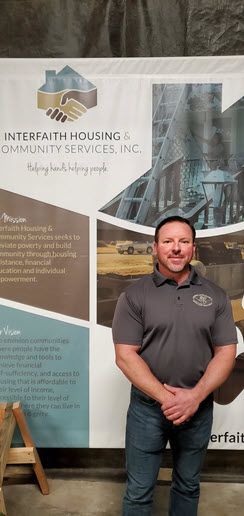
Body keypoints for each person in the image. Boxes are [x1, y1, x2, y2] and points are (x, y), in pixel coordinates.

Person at [112, 215, 237, 516]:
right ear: (155, 248)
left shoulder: (215, 296)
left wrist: (193, 398)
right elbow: (125, 355)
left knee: (188, 485)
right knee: (139, 492)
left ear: (193, 249)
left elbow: (226, 352)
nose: (176, 248)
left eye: (183, 242)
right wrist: (170, 400)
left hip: (198, 408)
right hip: (147, 411)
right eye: (168, 241)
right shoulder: (134, 295)